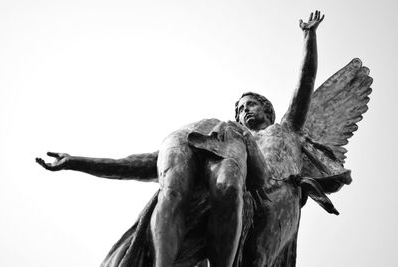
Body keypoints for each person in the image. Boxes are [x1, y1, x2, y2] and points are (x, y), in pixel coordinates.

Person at [37, 11, 326, 267]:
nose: (244, 110)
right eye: (239, 109)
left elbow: (305, 84)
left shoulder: (284, 130)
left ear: (267, 108)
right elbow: (135, 165)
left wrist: (308, 37)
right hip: (213, 204)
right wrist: (75, 161)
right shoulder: (219, 140)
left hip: (261, 217)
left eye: (250, 104)